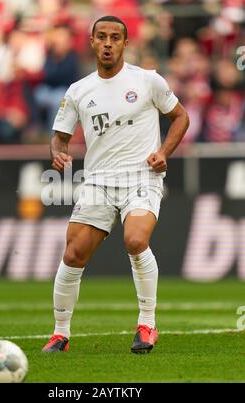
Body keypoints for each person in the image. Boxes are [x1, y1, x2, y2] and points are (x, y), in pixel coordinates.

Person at [42, 16, 189, 354]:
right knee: (73, 253)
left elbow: (180, 116)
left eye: (115, 38)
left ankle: (147, 325)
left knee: (136, 240)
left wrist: (164, 152)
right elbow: (59, 137)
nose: (108, 43)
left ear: (125, 44)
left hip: (141, 176)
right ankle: (60, 334)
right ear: (92, 42)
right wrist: (59, 153)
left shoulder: (148, 80)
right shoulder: (78, 91)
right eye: (102, 37)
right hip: (98, 181)